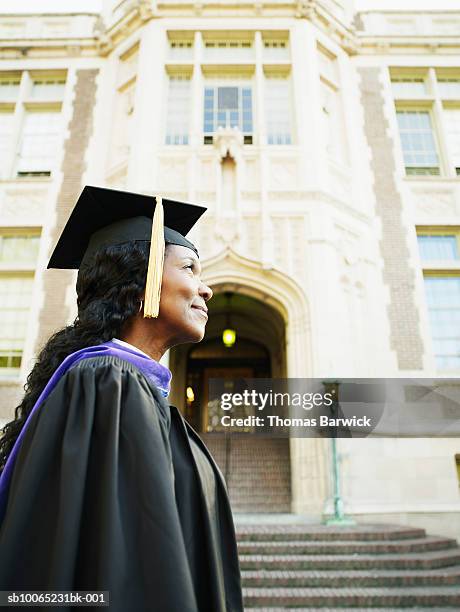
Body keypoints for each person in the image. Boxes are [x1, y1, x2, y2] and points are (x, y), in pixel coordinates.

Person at [0, 186, 244, 612]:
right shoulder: (111, 383)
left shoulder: (120, 384)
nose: (206, 290)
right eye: (190, 269)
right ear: (141, 278)